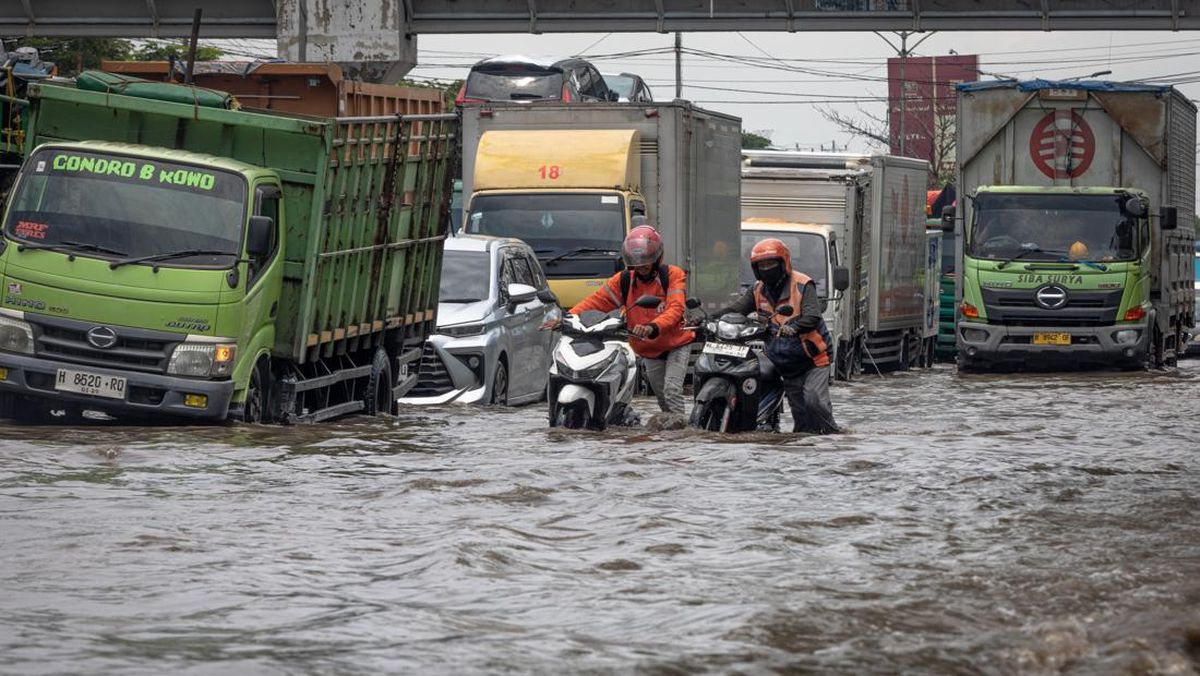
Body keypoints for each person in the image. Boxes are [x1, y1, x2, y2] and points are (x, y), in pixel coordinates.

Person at [543, 224, 694, 414]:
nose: (642, 268)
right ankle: (670, 427)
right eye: (637, 263)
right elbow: (596, 302)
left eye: (646, 262)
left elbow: (676, 309)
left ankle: (681, 430)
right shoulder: (623, 280)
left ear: (657, 258)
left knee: (671, 391)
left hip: (676, 344)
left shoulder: (673, 275)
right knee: (662, 399)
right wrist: (566, 318)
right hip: (649, 349)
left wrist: (652, 327)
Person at [717, 238, 840, 434]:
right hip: (785, 362)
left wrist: (794, 327)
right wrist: (710, 319)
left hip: (813, 358)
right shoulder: (757, 290)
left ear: (783, 263)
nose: (767, 269)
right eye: (762, 265)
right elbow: (736, 309)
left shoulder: (802, 284)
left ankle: (834, 436)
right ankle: (805, 446)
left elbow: (813, 316)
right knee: (801, 418)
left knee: (814, 401)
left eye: (771, 264)